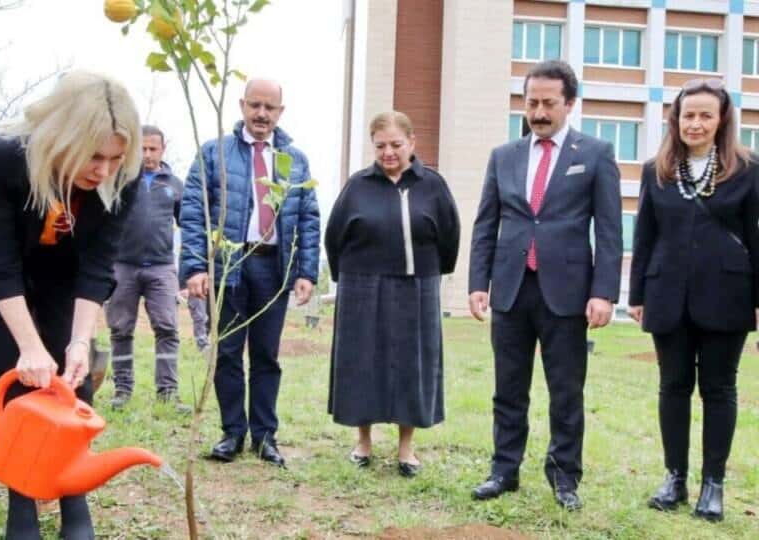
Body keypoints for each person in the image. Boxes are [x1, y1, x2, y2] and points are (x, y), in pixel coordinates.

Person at [0, 70, 140, 539]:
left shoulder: (124, 175)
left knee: (72, 378)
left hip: (64, 271)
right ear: (64, 138)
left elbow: (98, 265)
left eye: (114, 158)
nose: (102, 170)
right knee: (9, 375)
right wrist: (27, 345)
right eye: (93, 156)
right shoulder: (6, 154)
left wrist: (80, 342)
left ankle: (74, 500)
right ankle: (20, 500)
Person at [468, 60, 622, 510]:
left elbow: (610, 230)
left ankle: (564, 476)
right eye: (531, 102)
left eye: (548, 103)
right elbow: (486, 224)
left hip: (568, 291)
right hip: (512, 287)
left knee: (566, 389)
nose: (538, 111)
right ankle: (503, 469)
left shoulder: (595, 154)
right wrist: (479, 283)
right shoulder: (504, 156)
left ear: (569, 104)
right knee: (508, 386)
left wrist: (604, 291)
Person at [629, 79, 757, 523]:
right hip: (667, 293)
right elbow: (644, 234)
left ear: (721, 120)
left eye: (706, 115)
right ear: (675, 119)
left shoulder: (748, 168)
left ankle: (713, 485)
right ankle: (675, 479)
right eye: (688, 115)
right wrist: (637, 293)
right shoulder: (656, 169)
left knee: (719, 389)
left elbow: (756, 238)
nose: (696, 123)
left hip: (728, 293)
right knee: (673, 386)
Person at [179, 78, 320, 467]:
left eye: (269, 107)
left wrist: (305, 271)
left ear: (280, 112)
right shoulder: (214, 154)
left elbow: (308, 217)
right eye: (254, 105)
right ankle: (232, 433)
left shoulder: (294, 161)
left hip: (273, 268)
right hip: (227, 265)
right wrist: (194, 266)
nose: (261, 114)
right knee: (226, 352)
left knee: (266, 355)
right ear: (241, 106)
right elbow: (194, 210)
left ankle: (264, 436)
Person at [324, 111, 459, 477]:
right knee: (362, 362)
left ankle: (406, 448)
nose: (388, 152)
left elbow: (449, 236)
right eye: (381, 145)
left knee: (410, 365)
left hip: (416, 286)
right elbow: (334, 236)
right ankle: (363, 442)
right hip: (361, 286)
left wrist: (431, 274)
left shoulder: (433, 185)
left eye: (396, 145)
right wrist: (347, 279)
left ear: (412, 144)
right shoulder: (357, 186)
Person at [105, 125, 186, 411]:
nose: (147, 154)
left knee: (167, 329)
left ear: (163, 150)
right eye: (142, 148)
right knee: (120, 329)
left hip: (162, 269)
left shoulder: (175, 185)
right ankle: (122, 390)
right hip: (122, 267)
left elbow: (188, 224)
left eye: (153, 149)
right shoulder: (119, 181)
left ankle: (168, 393)